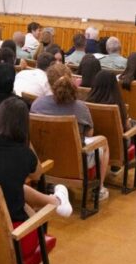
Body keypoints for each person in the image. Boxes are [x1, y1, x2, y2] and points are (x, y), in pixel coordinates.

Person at [0, 98, 72, 224]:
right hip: (11, 232)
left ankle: (55, 201)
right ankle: (56, 202)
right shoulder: (23, 154)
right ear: (24, 125)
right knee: (16, 192)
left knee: (12, 186)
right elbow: (37, 175)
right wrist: (27, 142)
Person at [32, 64, 110, 200]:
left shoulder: (37, 104)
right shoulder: (80, 107)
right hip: (76, 162)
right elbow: (89, 134)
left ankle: (52, 182)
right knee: (103, 141)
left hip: (46, 160)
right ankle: (99, 190)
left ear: (48, 83)